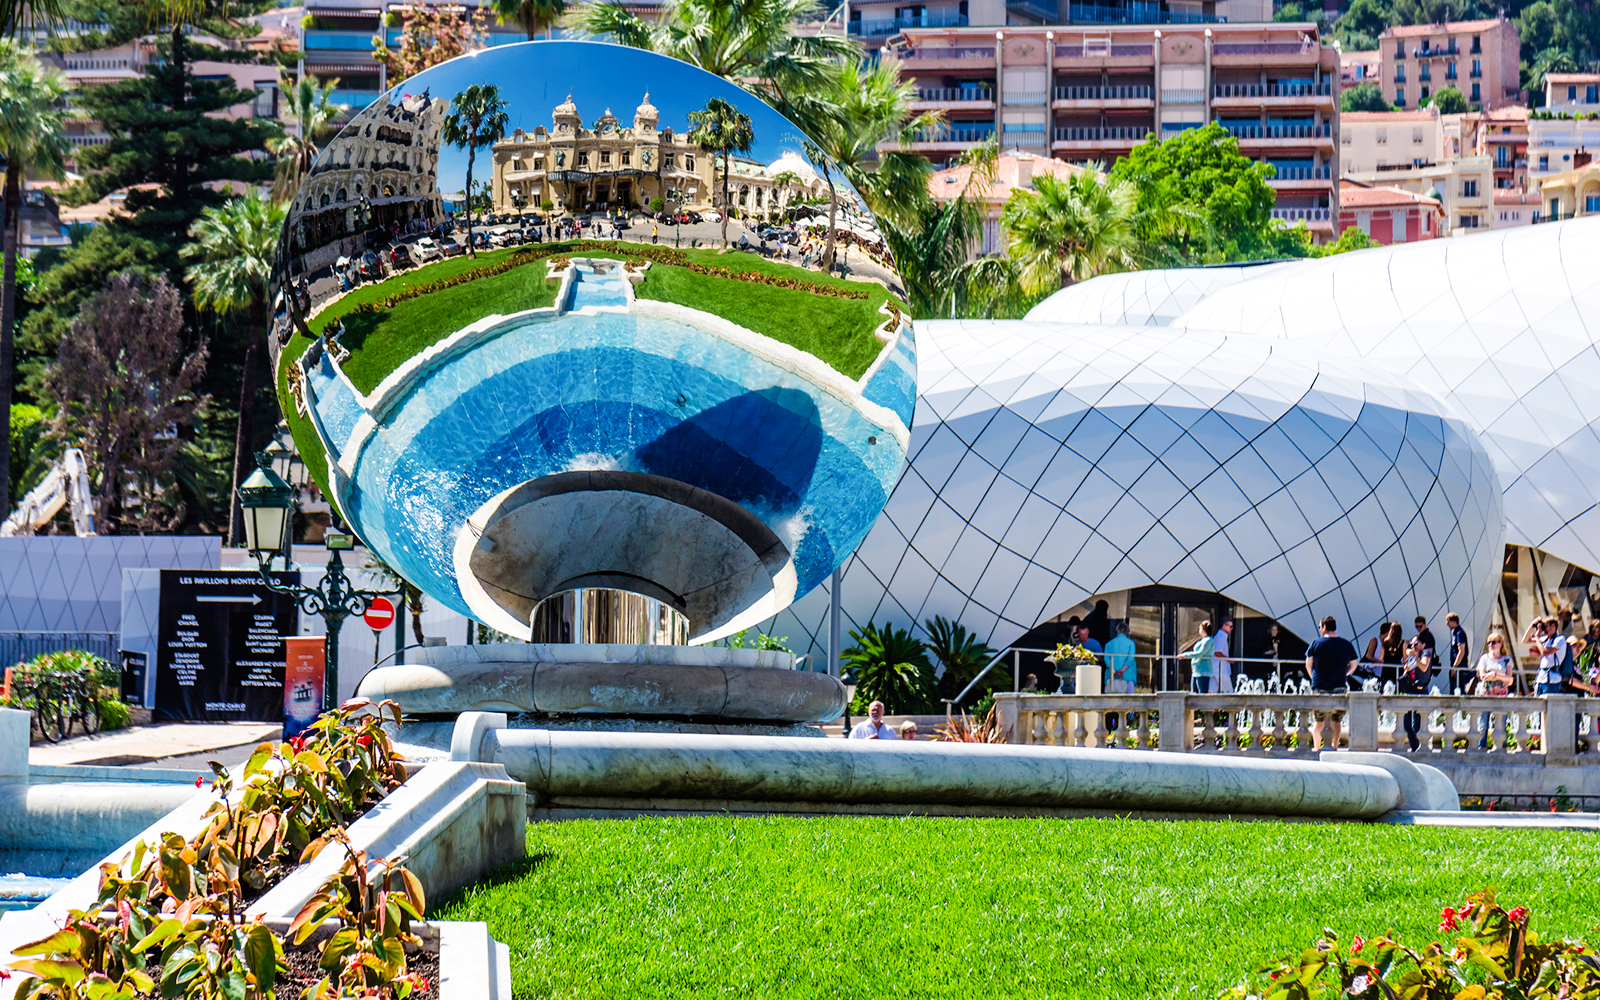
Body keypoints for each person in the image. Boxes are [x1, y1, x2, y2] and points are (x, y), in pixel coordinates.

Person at [1305, 615, 1359, 750]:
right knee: (1336, 721)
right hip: (1339, 685)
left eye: (1319, 627)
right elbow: (1353, 664)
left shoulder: (1315, 644)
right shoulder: (1346, 644)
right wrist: (1345, 673)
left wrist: (1314, 678)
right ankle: (1334, 747)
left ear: (1324, 627)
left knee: (1318, 722)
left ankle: (1317, 748)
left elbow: (1308, 664)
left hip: (1320, 686)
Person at [1475, 631, 1515, 749]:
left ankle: (1502, 747)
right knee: (1483, 724)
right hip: (1486, 693)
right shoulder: (1484, 658)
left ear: (1500, 643)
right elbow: (1483, 677)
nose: (1491, 645)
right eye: (1489, 642)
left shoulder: (1507, 659)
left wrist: (1494, 674)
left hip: (1501, 694)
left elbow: (1510, 680)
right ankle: (1482, 747)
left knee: (1501, 724)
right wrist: (1500, 676)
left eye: (1494, 642)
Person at [1398, 638, 1433, 751]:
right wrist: (1404, 648)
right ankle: (1414, 748)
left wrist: (1416, 657)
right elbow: (1405, 663)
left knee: (1416, 724)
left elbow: (1424, 667)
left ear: (1423, 644)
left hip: (1421, 691)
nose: (1414, 646)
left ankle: (1420, 748)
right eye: (1412, 644)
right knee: (1407, 723)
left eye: (1416, 643)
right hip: (1410, 690)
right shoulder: (1411, 656)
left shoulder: (1425, 653)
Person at [1180, 621, 1216, 693]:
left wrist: (1185, 655)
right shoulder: (1202, 640)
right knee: (1194, 692)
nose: (1199, 630)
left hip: (1203, 671)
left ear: (1203, 629)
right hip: (1196, 670)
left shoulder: (1209, 640)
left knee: (1202, 693)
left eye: (1200, 628)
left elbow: (1200, 653)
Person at [1103, 622, 1137, 694]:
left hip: (1111, 677)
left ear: (1117, 631)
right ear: (1127, 632)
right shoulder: (1131, 643)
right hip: (1128, 676)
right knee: (1129, 702)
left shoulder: (1109, 643)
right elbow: (1131, 658)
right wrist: (1123, 669)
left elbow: (1106, 659)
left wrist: (1113, 670)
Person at [1446, 613, 1470, 694]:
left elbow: (1461, 651)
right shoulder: (1455, 633)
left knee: (1459, 690)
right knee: (1453, 689)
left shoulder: (1460, 633)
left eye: (1448, 621)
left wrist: (1455, 667)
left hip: (1460, 666)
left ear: (1453, 622)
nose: (1447, 624)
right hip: (1456, 665)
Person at [1215, 617, 1235, 693]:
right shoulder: (1221, 637)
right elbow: (1217, 652)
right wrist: (1228, 659)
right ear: (1224, 626)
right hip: (1221, 670)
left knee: (1212, 692)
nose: (1232, 628)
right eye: (1230, 626)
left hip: (1216, 669)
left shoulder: (1220, 636)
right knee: (1229, 691)